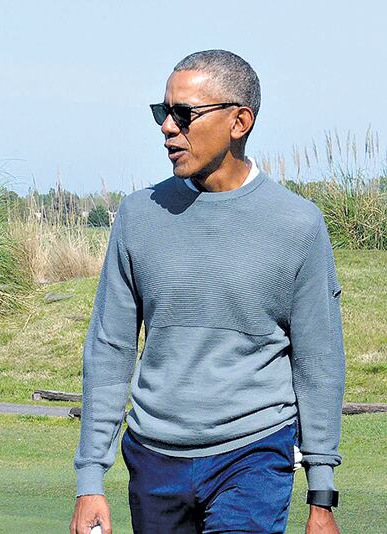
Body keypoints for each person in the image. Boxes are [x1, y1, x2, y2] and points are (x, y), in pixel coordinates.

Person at [70, 50, 345, 534]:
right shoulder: (138, 215)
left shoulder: (298, 224)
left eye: (184, 114)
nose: (167, 128)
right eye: (163, 112)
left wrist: (320, 496)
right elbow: (110, 349)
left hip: (254, 453)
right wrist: (91, 478)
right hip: (155, 458)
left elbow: (318, 361)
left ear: (240, 121)